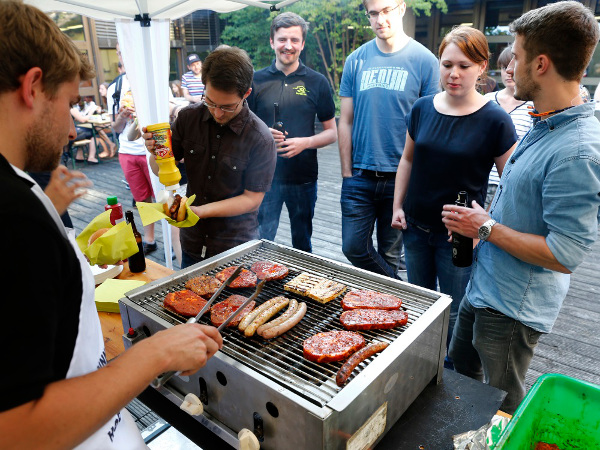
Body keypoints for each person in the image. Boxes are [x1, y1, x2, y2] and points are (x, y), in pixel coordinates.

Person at [0, 2, 223, 448]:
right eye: (71, 104)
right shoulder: (12, 216)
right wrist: (154, 353)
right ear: (33, 87)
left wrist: (47, 204)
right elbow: (15, 427)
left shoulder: (20, 196)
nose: (70, 130)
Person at [442, 1, 600, 414]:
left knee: (502, 405)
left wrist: (487, 228)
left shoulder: (578, 152)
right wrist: (479, 228)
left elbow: (565, 255)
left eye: (519, 54)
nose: (510, 65)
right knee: (460, 376)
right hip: (485, 283)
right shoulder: (544, 118)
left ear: (542, 64)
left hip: (514, 308)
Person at [391, 26, 518, 368]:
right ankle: (420, 361)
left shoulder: (495, 120)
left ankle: (449, 369)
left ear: (481, 67)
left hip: (459, 237)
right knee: (419, 300)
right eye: (447, 64)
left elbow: (512, 184)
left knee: (456, 307)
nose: (454, 73)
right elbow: (407, 159)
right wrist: (397, 206)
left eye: (464, 65)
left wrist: (485, 225)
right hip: (415, 227)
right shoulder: (421, 108)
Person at [143, 46, 277, 268]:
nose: (217, 113)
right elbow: (160, 170)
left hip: (235, 247)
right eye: (210, 102)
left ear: (246, 94)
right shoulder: (188, 118)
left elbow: (252, 199)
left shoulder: (260, 138)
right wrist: (156, 154)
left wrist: (199, 212)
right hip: (192, 243)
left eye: (227, 107)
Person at [338, 0, 440, 279]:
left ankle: (387, 312)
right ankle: (400, 294)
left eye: (386, 11)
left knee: (391, 254)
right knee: (353, 247)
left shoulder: (425, 61)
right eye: (373, 13)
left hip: (401, 178)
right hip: (359, 174)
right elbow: (344, 120)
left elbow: (429, 125)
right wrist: (347, 172)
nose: (380, 19)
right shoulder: (355, 60)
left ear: (402, 8)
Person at [248, 12, 337, 252]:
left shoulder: (317, 82)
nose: (288, 46)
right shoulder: (255, 81)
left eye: (294, 40)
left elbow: (332, 133)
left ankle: (301, 287)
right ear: (271, 41)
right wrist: (263, 133)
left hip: (303, 178)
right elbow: (242, 128)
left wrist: (305, 142)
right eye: (282, 39)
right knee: (262, 240)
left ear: (302, 44)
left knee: (302, 241)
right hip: (265, 177)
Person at [108, 44, 157, 253]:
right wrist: (122, 117)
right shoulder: (115, 87)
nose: (124, 55)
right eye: (121, 52)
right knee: (142, 198)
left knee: (162, 195)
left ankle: (175, 240)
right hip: (128, 151)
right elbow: (115, 127)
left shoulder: (153, 81)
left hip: (152, 149)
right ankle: (151, 239)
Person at [483, 46, 533, 208]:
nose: (508, 72)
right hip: (480, 179)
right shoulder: (486, 100)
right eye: (504, 67)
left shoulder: (533, 106)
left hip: (510, 183)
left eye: (512, 66)